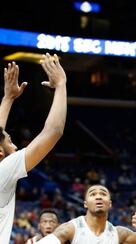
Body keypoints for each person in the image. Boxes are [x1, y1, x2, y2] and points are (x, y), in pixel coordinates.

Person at [0, 53, 67, 244]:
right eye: (10, 142)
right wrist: (61, 85)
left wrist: (8, 98)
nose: (14, 145)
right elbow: (53, 131)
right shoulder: (3, 170)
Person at [37, 185, 136, 244]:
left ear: (110, 203)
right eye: (93, 194)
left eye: (103, 194)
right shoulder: (70, 229)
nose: (98, 196)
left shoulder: (120, 233)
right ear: (85, 204)